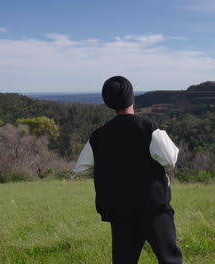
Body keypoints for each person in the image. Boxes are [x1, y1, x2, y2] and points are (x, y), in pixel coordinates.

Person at [75, 76, 183, 264]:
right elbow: (170, 160)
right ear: (132, 98)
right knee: (169, 260)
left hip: (120, 212)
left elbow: (82, 169)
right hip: (154, 208)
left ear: (108, 103)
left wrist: (109, 170)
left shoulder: (99, 135)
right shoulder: (148, 127)